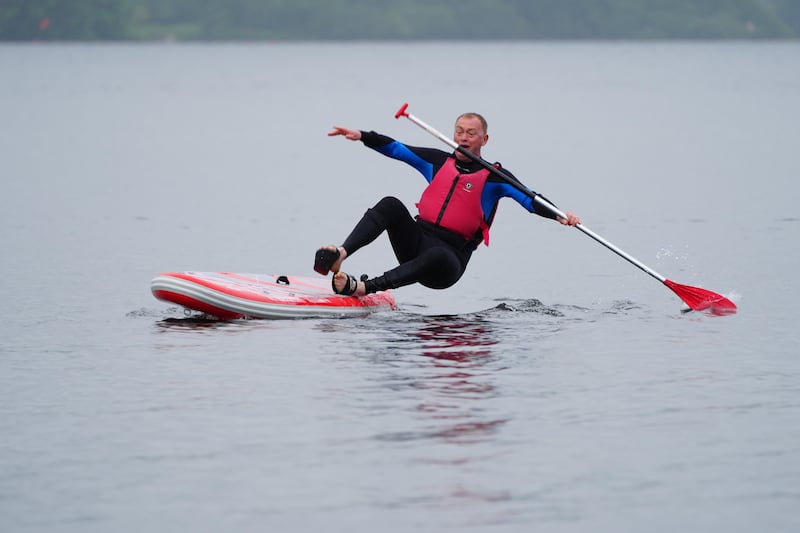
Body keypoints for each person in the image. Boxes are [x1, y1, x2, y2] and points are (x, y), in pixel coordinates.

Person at [315, 112, 581, 296]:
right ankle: (341, 253)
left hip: (447, 263)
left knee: (437, 254)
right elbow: (396, 148)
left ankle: (365, 287)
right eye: (460, 132)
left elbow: (530, 199)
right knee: (391, 205)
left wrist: (559, 215)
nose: (464, 138)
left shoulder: (495, 178)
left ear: (484, 140)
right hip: (415, 244)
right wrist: (362, 135)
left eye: (471, 133)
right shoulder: (437, 161)